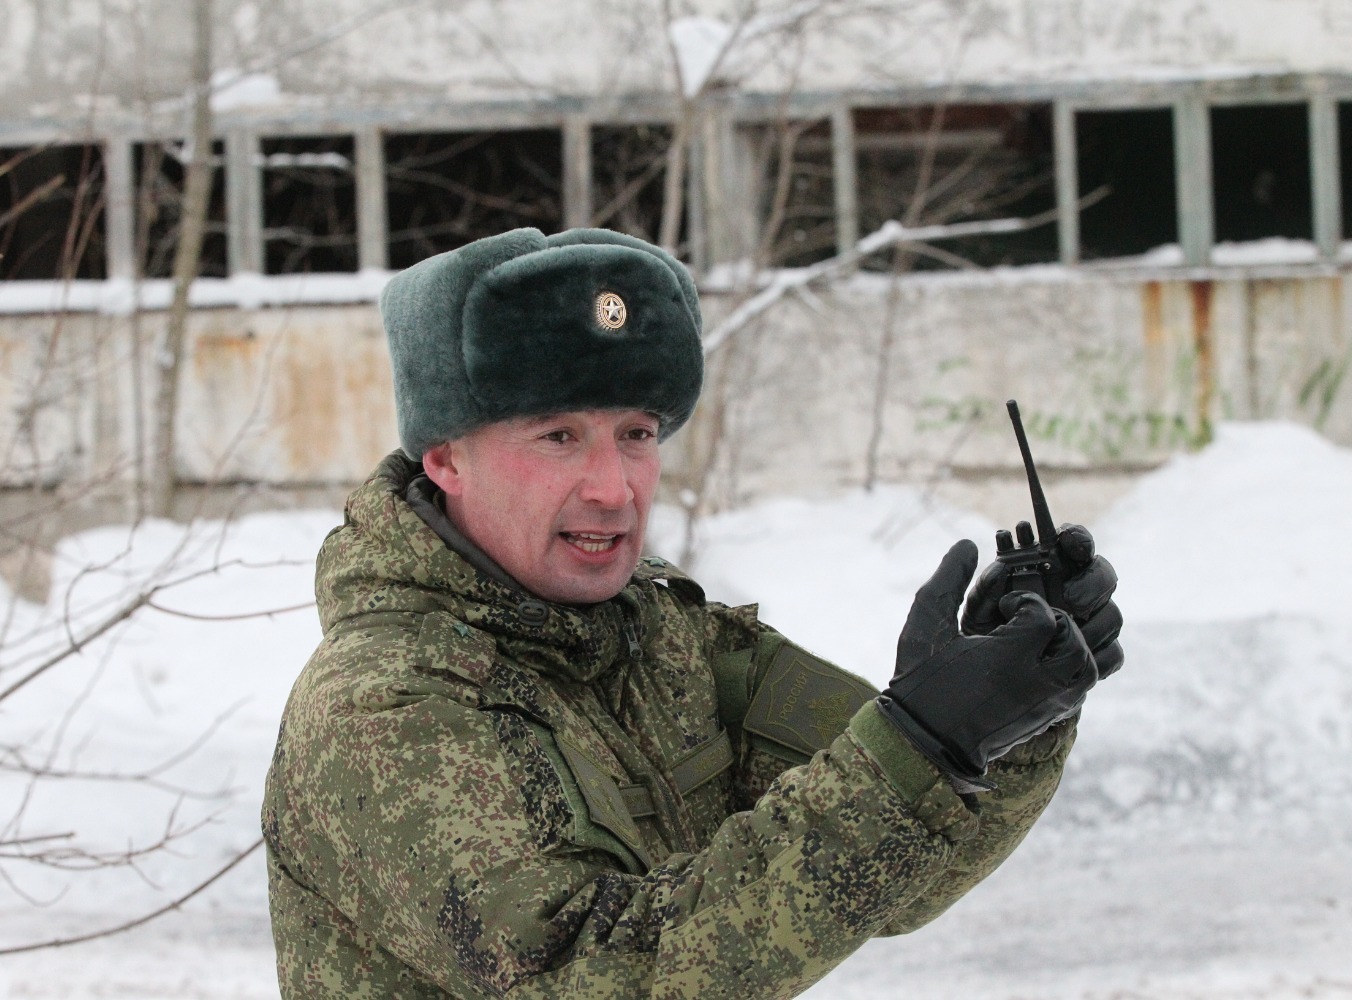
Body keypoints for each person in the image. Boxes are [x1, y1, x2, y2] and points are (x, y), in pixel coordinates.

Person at [262, 227, 1123, 999]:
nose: (613, 489)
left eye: (636, 434)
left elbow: (886, 874)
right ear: (446, 459)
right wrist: (919, 742)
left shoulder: (663, 637)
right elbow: (602, 978)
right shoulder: (386, 704)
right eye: (559, 437)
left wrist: (999, 709)